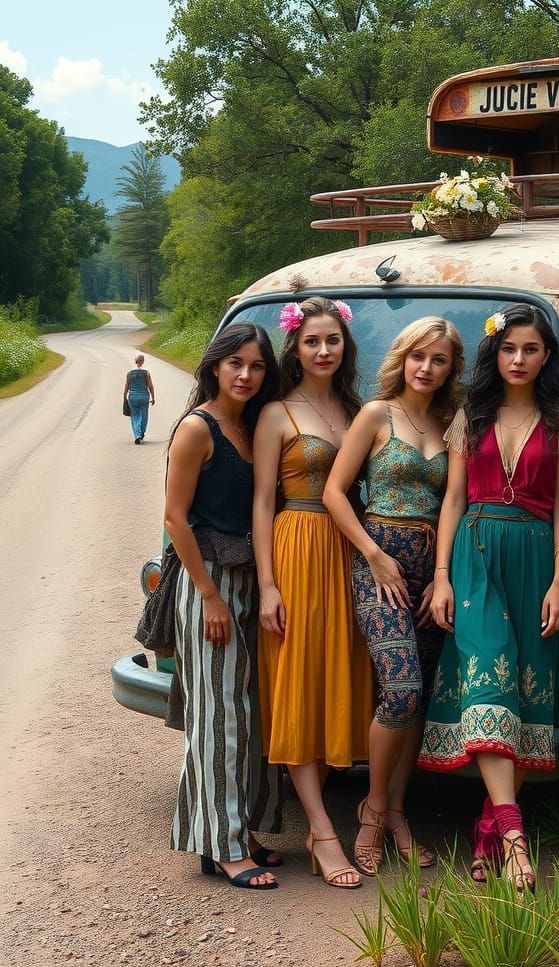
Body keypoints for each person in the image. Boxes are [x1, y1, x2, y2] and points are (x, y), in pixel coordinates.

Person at [419, 303, 559, 892]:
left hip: (538, 556)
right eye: (509, 349)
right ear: (495, 353)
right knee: (488, 678)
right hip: (476, 553)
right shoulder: (470, 416)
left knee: (521, 686)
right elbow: (454, 499)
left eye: (531, 349)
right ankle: (515, 838)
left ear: (546, 356)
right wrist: (441, 576)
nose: (519, 359)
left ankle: (487, 828)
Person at [323, 316, 463, 877]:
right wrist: (374, 555)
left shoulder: (453, 424)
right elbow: (335, 492)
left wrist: (444, 573)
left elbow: (454, 501)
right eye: (418, 357)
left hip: (431, 569)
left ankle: (398, 810)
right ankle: (373, 811)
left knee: (421, 698)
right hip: (378, 560)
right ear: (402, 359)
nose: (426, 369)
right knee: (400, 689)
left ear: (452, 368)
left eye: (440, 360)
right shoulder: (376, 414)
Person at [253, 296, 373, 890]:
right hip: (297, 546)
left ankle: (336, 809)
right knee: (300, 679)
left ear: (345, 346)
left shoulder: (358, 408)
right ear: (295, 348)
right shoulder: (277, 412)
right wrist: (269, 584)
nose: (324, 351)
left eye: (333, 341)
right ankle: (322, 830)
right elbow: (261, 502)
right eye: (312, 342)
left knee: (339, 678)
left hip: (350, 551)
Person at [165, 321, 285, 890]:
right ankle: (221, 845)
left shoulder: (251, 424)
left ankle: (243, 830)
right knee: (218, 716)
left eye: (257, 366)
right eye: (235, 363)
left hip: (250, 576)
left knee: (252, 712)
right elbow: (174, 518)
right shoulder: (198, 429)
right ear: (214, 364)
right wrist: (209, 597)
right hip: (208, 580)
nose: (245, 375)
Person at [124, 353, 155, 443]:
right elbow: (151, 386)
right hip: (144, 397)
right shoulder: (146, 373)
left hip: (132, 397)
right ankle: (141, 433)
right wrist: (153, 397)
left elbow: (127, 385)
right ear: (143, 362)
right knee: (144, 416)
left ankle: (137, 435)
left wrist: (124, 396)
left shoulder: (129, 373)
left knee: (134, 416)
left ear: (135, 361)